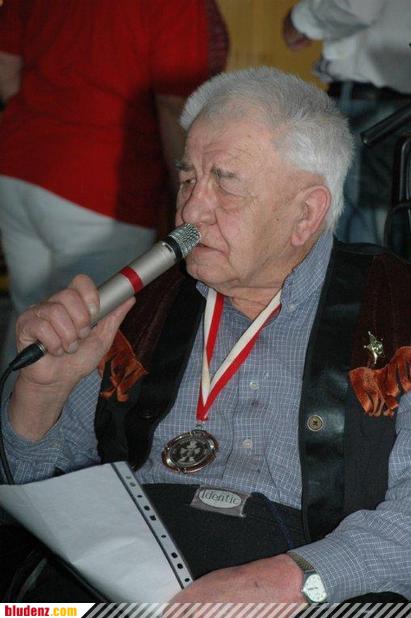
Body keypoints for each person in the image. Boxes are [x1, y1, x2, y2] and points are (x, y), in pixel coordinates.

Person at [1, 67, 411, 605]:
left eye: (226, 183)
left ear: (305, 214)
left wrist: (294, 582)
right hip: (121, 589)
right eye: (189, 178)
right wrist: (43, 392)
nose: (191, 210)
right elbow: (31, 486)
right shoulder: (141, 306)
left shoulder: (396, 309)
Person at [0, 0, 228, 368]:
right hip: (101, 184)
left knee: (32, 321)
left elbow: (6, 71)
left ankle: (17, 403)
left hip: (19, 168)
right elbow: (175, 106)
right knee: (95, 335)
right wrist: (188, 197)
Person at [282, 0, 411, 246]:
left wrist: (299, 19)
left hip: (373, 105)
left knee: (365, 237)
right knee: (383, 228)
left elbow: (356, 6)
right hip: (387, 104)